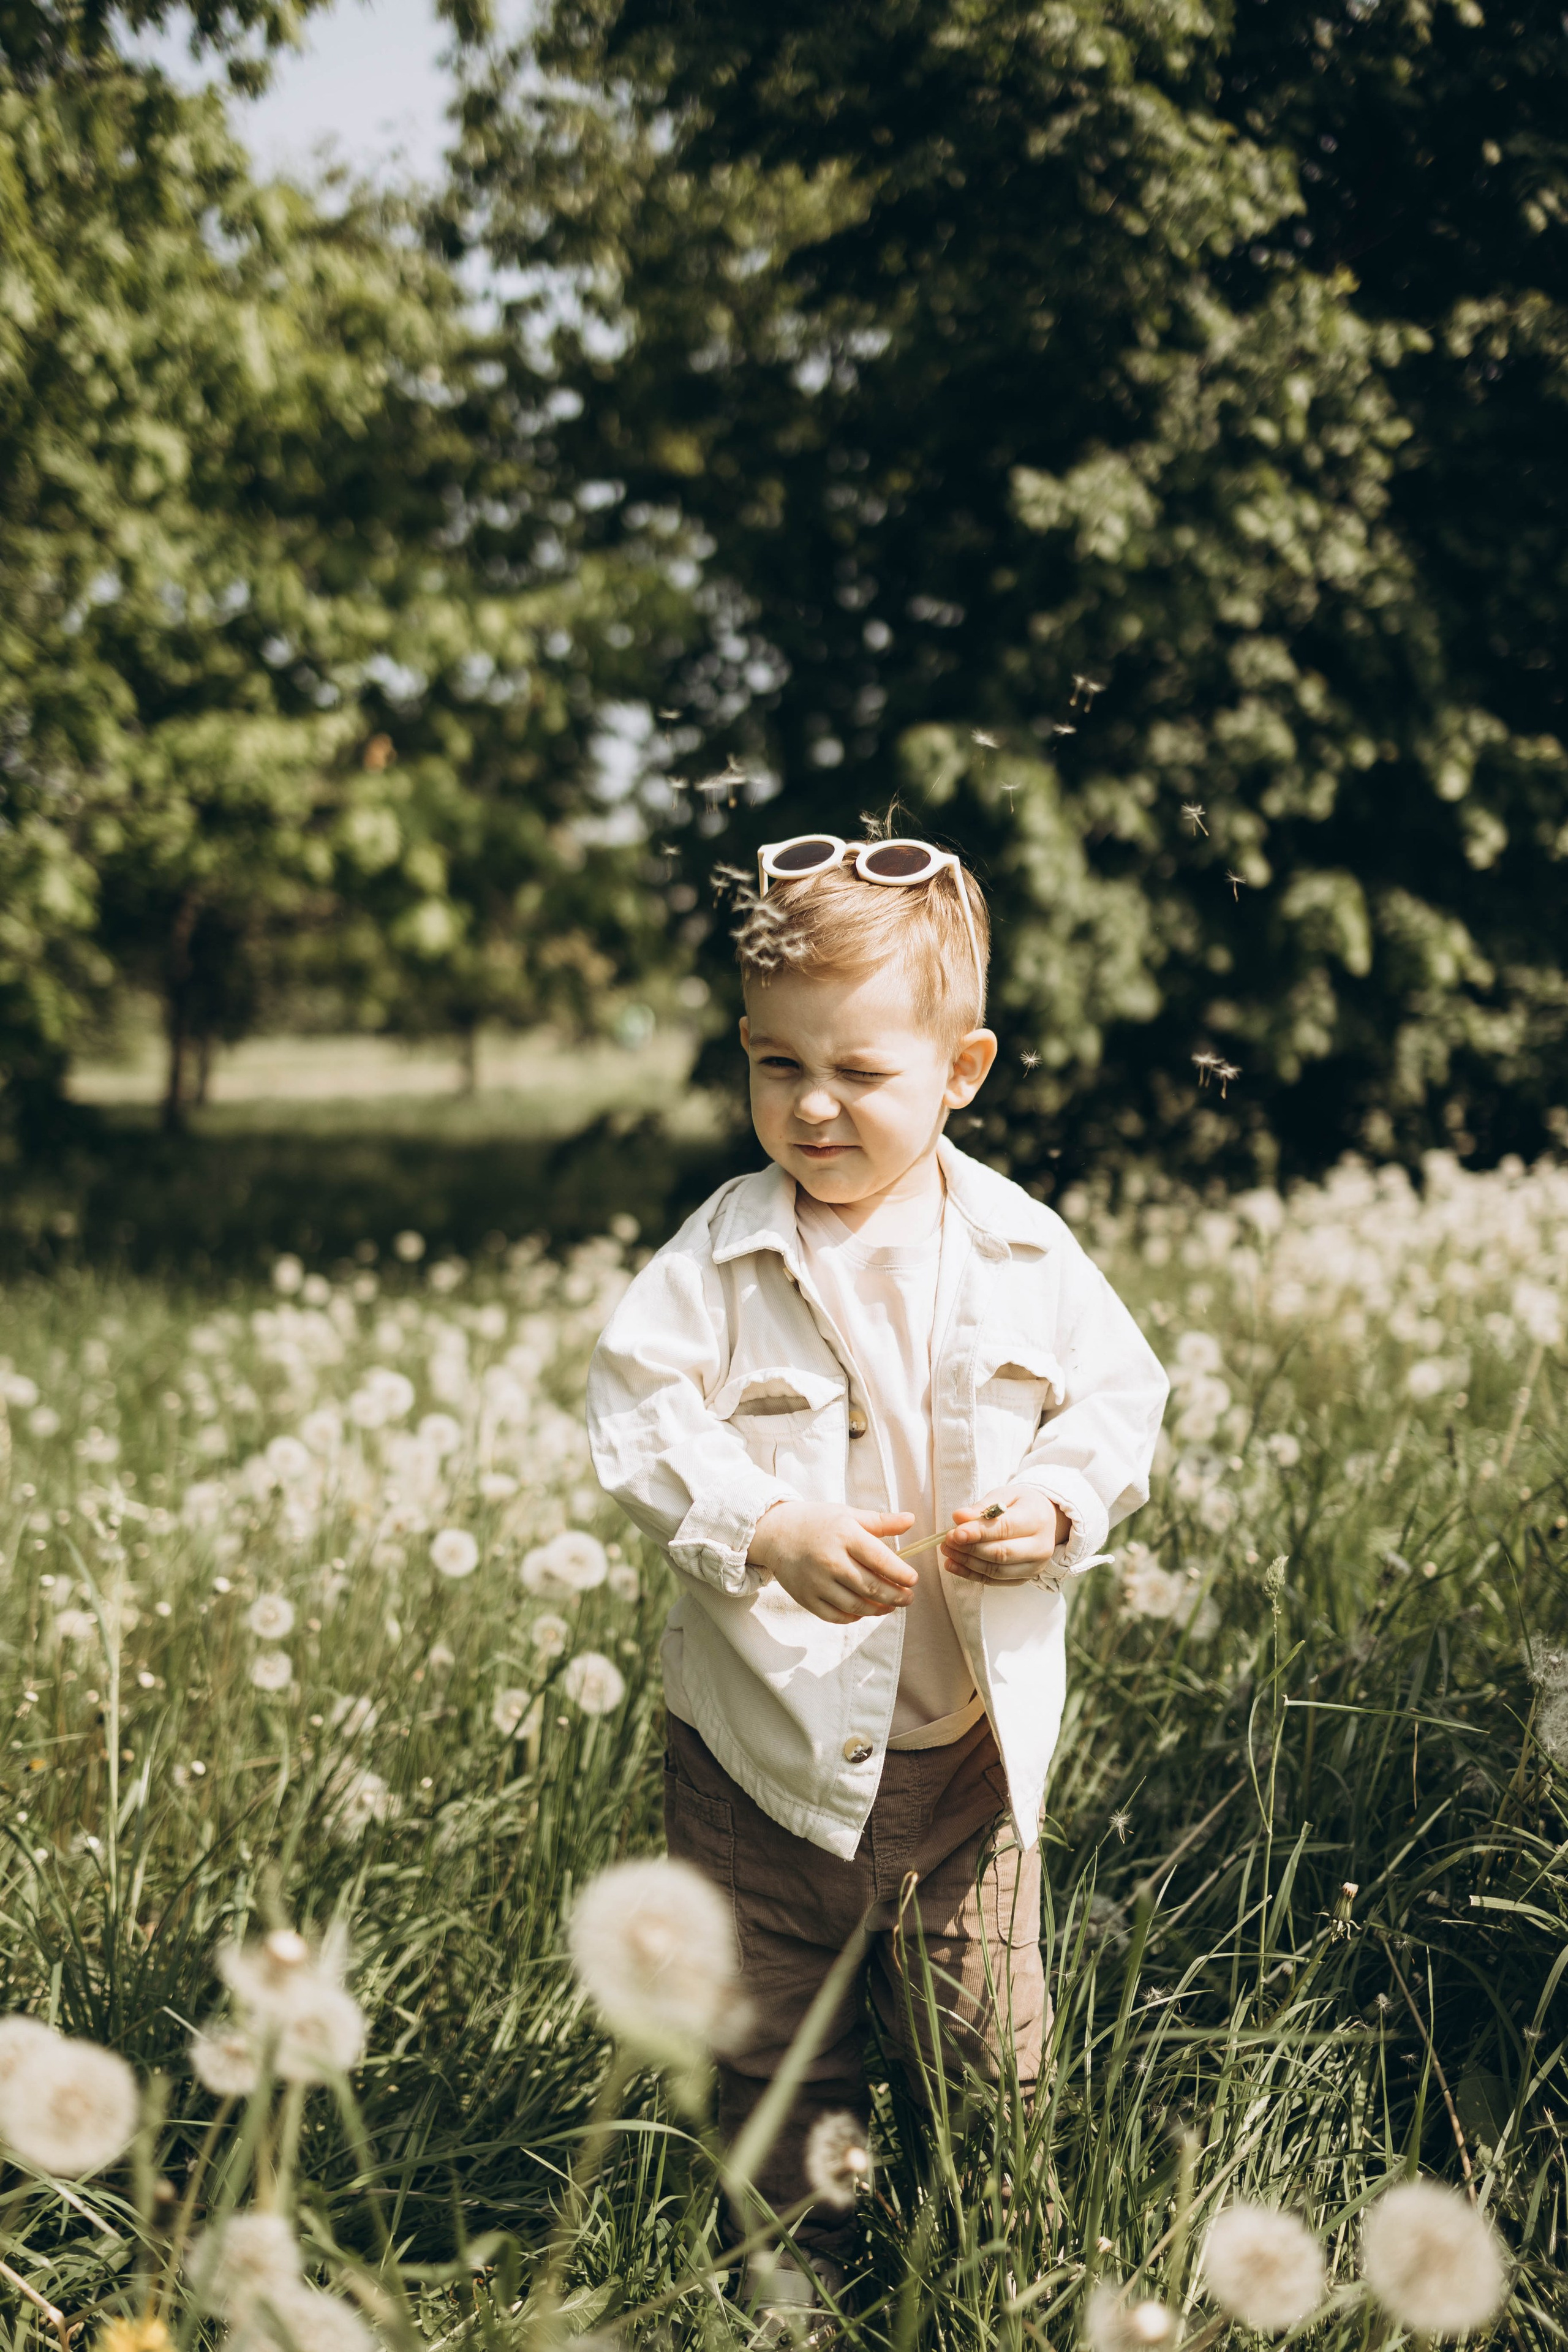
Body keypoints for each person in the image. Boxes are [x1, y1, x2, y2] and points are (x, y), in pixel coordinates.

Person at [586, 829, 1168, 2313]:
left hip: (960, 1768)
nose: (815, 1105)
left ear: (960, 1069)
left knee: (994, 2068)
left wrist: (1054, 1503)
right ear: (742, 1056)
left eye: (860, 1072)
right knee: (769, 2066)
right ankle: (787, 2296)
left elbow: (1117, 1403)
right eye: (778, 1069)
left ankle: (1001, 2274)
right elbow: (636, 1415)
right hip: (758, 1764)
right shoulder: (715, 1259)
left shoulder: (1026, 1254)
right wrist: (761, 1527)